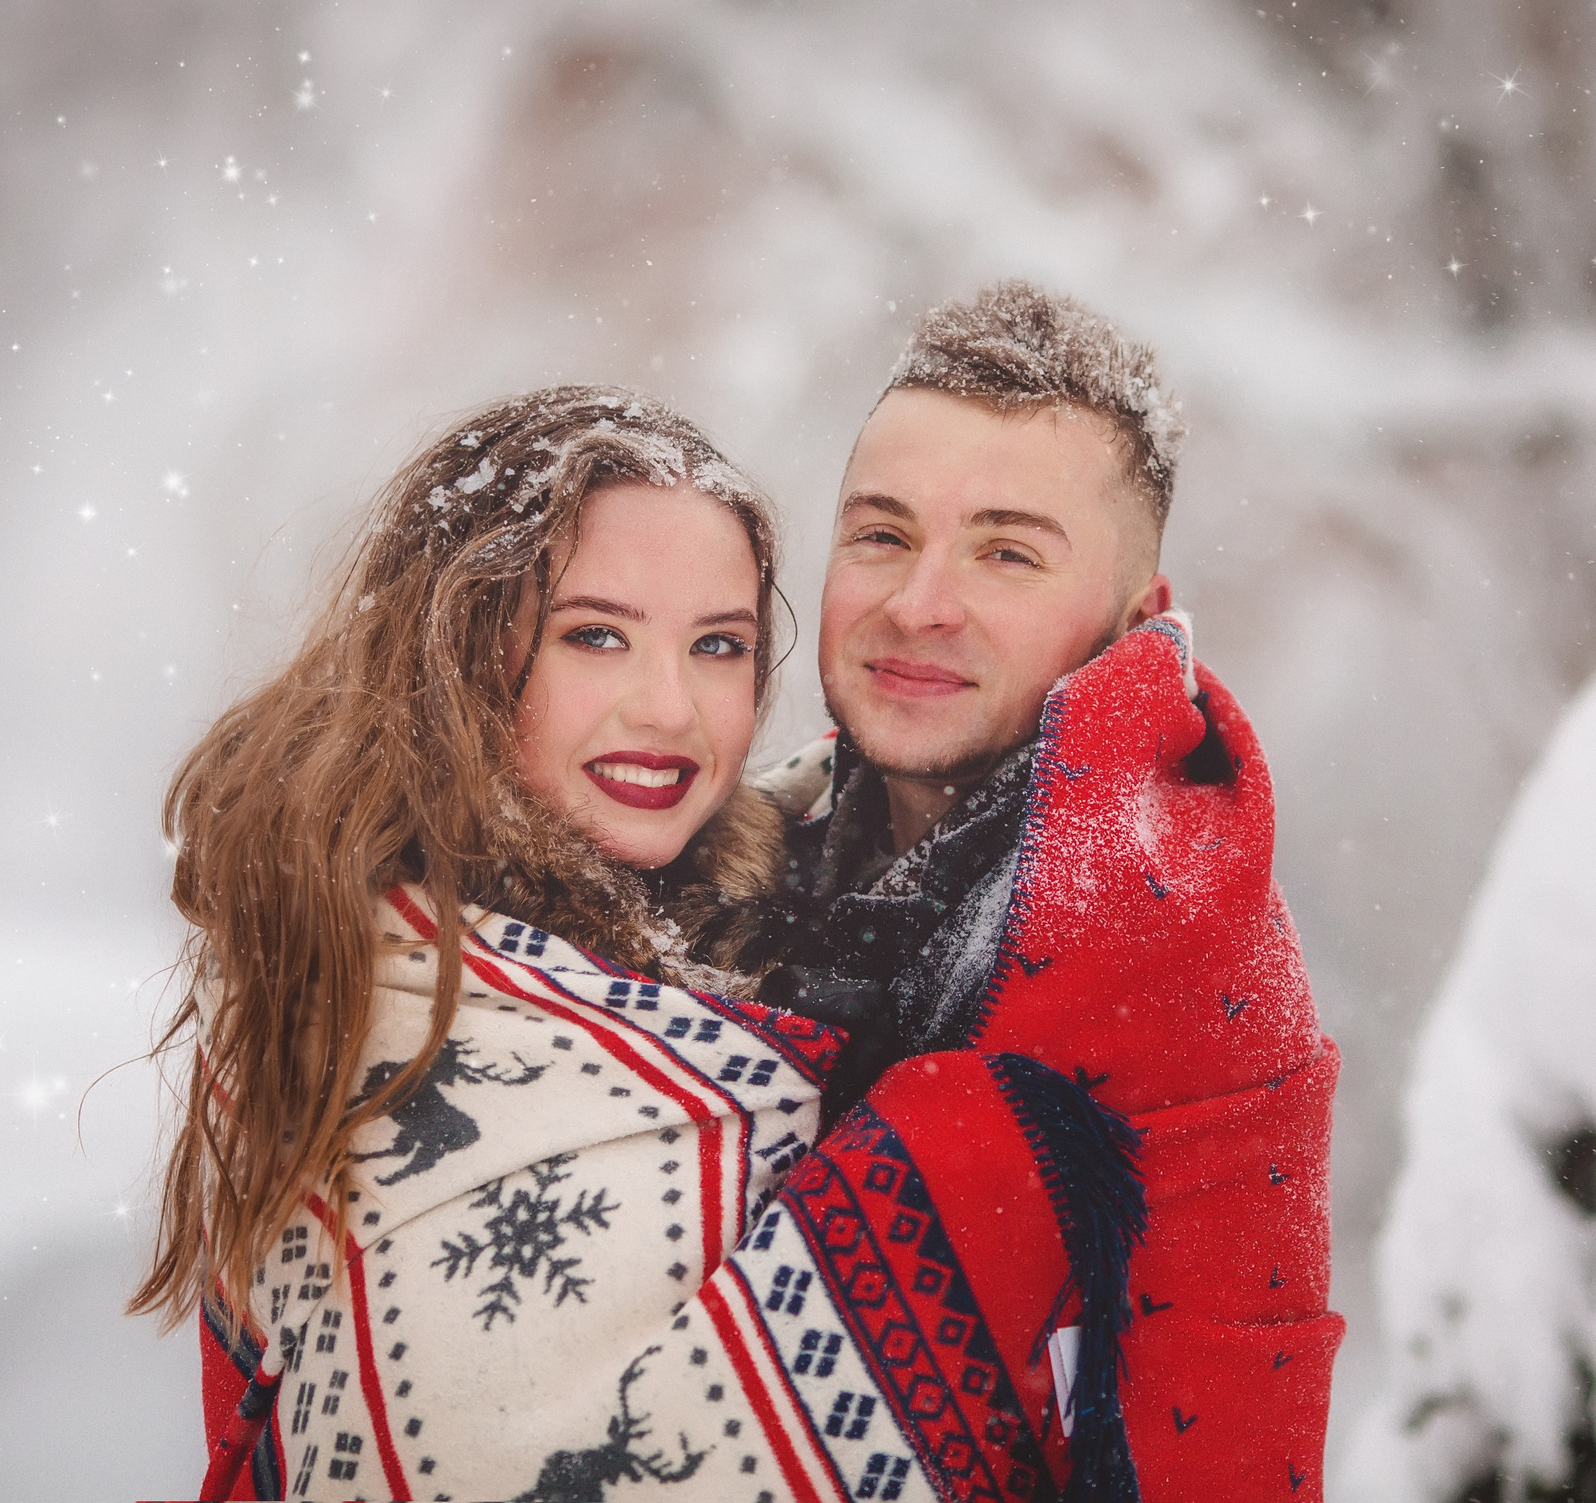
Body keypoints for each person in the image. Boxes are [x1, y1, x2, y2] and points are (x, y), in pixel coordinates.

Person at [133, 386, 1141, 1503]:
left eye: (718, 645)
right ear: (454, 650)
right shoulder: (356, 980)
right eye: (596, 635)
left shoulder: (790, 928)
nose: (668, 708)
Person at [736, 281, 1345, 1496]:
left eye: (1007, 553)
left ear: (1134, 621)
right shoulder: (732, 864)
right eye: (882, 535)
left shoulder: (1191, 965)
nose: (918, 604)